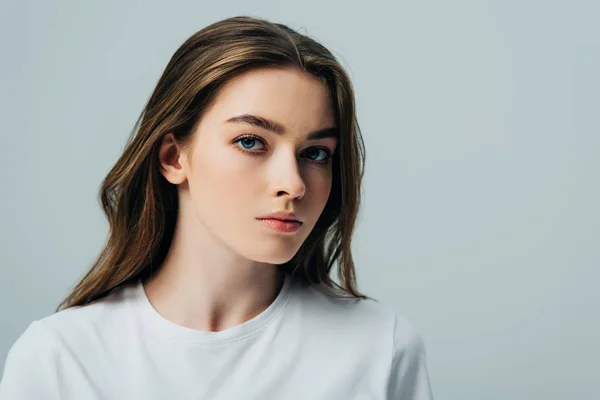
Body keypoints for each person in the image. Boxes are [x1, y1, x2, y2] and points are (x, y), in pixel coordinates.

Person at [0, 15, 434, 399]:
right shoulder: (59, 360)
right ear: (173, 157)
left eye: (316, 152)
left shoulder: (381, 349)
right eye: (251, 142)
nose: (293, 184)